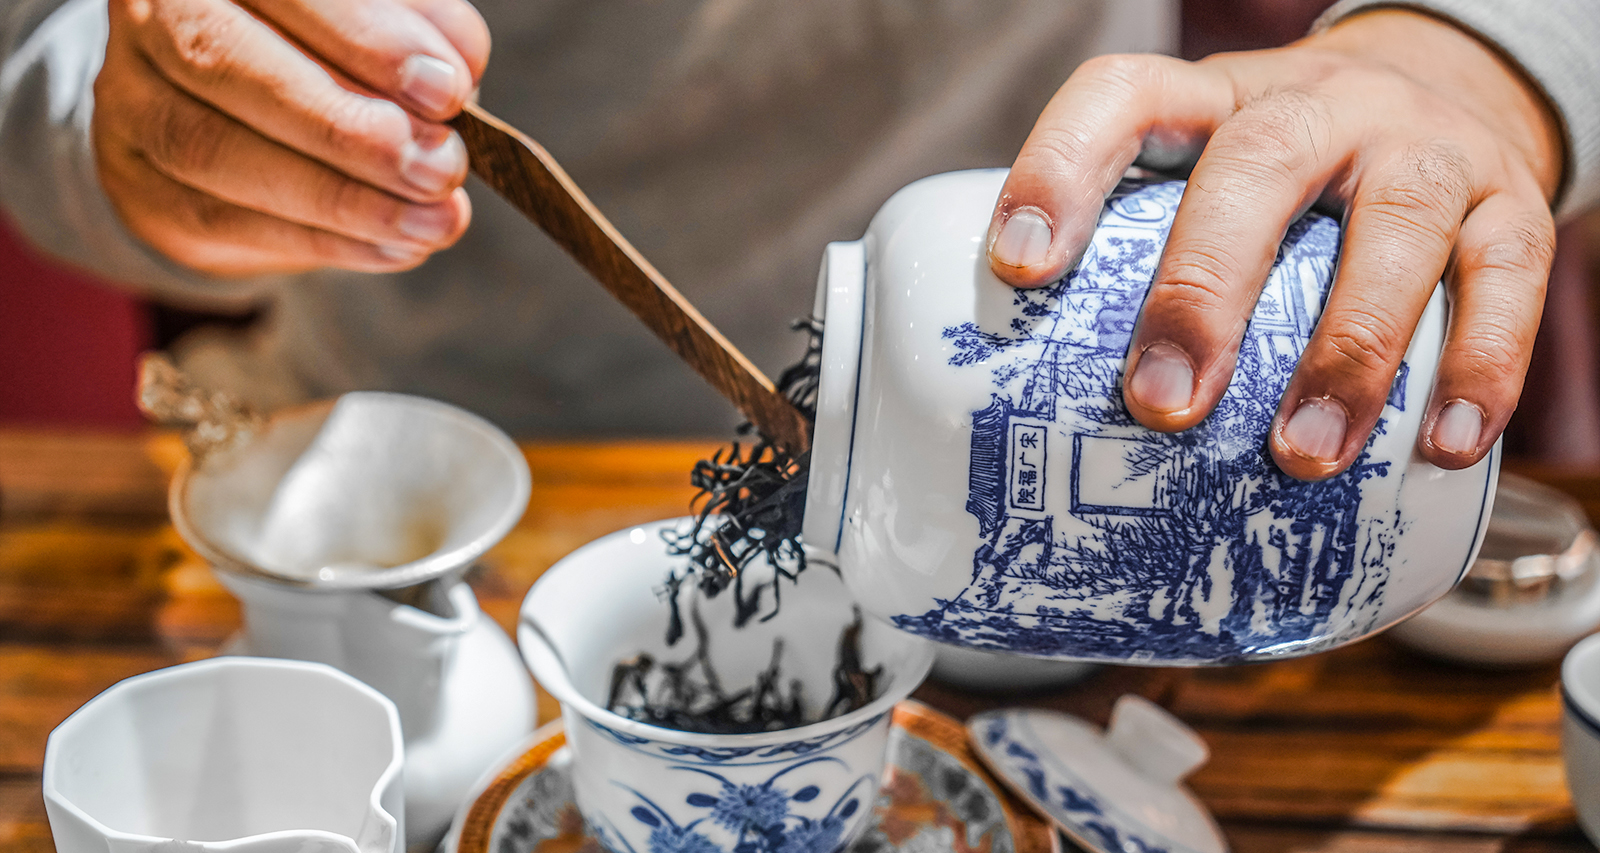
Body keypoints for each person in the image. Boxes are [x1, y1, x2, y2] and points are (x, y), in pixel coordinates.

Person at [0, 0, 1596, 481]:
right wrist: (162, 131)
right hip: (442, 445)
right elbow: (42, 72)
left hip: (1068, 424)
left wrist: (1472, 57)